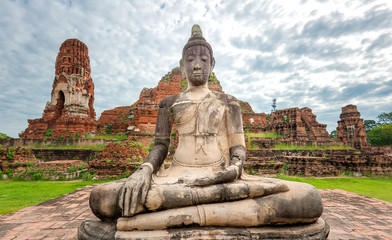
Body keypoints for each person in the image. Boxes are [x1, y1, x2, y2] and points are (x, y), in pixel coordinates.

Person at [88, 25, 323, 230]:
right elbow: (161, 145)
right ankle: (214, 216)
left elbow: (238, 148)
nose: (197, 65)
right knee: (102, 198)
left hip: (222, 178)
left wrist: (235, 168)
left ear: (212, 63)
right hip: (176, 177)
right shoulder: (169, 102)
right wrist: (144, 171)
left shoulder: (228, 102)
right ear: (182, 66)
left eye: (203, 59)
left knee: (309, 198)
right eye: (190, 60)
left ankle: (156, 221)